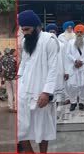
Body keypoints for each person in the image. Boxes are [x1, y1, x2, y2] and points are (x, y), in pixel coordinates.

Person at [18, 10, 58, 153]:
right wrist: (19, 81)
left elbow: (54, 68)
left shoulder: (49, 40)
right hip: (24, 90)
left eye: (27, 29)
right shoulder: (24, 42)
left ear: (37, 27)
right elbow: (23, 64)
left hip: (41, 91)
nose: (25, 33)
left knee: (43, 127)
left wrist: (46, 92)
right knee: (21, 127)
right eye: (23, 30)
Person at [65, 24, 84, 111]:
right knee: (72, 85)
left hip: (83, 67)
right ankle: (73, 102)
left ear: (83, 33)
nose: (79, 34)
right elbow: (68, 54)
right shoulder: (70, 42)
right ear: (75, 33)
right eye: (78, 32)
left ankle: (81, 102)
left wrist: (82, 62)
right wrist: (75, 60)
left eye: (81, 32)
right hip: (73, 66)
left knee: (83, 85)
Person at [46, 23, 67, 108]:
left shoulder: (61, 45)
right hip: (48, 70)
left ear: (56, 33)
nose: (52, 34)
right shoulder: (44, 44)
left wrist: (66, 71)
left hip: (59, 69)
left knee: (58, 87)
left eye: (53, 32)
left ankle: (58, 106)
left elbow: (65, 59)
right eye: (50, 32)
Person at [2, 48, 17, 113]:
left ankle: (10, 107)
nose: (16, 54)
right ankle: (16, 107)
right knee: (15, 93)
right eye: (16, 52)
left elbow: (3, 69)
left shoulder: (4, 59)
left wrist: (3, 78)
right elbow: (18, 68)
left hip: (7, 78)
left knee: (9, 93)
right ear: (13, 52)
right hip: (14, 78)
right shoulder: (15, 59)